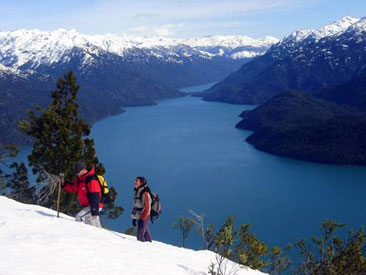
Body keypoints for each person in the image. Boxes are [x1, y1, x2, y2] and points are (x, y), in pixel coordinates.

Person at [61, 161, 103, 228]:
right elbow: (73, 188)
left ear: (83, 170)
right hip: (88, 206)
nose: (77, 174)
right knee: (91, 225)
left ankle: (81, 234)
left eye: (78, 172)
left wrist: (94, 210)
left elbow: (95, 195)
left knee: (79, 217)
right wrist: (63, 184)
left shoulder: (91, 179)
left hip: (94, 206)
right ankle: (98, 237)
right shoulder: (80, 179)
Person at [131, 176, 152, 242]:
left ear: (142, 183)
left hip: (144, 216)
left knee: (139, 236)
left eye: (137, 181)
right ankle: (150, 247)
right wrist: (134, 218)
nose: (135, 182)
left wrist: (142, 219)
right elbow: (136, 205)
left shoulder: (145, 193)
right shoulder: (138, 192)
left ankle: (143, 249)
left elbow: (147, 207)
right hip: (139, 216)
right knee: (145, 233)